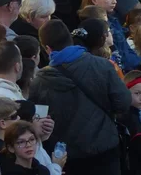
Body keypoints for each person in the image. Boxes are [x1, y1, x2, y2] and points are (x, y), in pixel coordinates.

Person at [31, 19, 132, 175]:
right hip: (105, 147)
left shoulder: (40, 81)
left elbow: (40, 121)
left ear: (47, 48)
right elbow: (123, 102)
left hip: (69, 156)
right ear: (70, 40)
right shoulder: (102, 65)